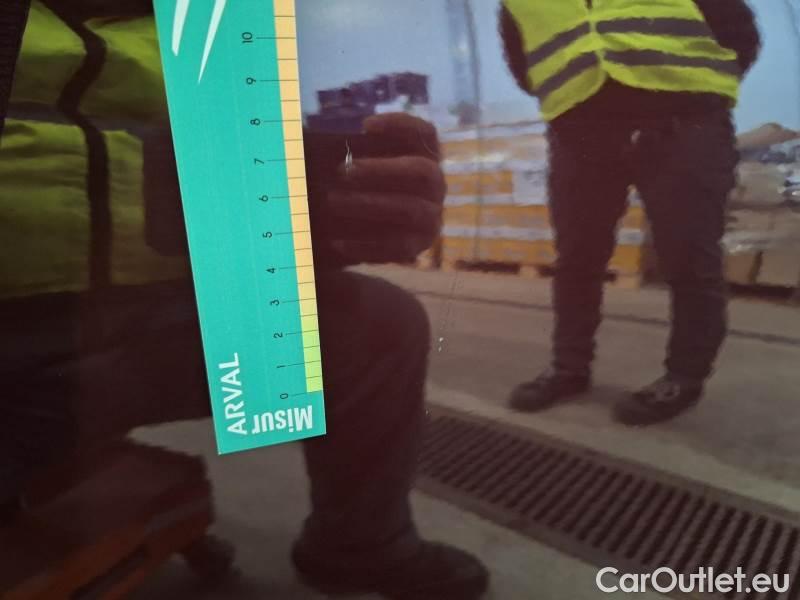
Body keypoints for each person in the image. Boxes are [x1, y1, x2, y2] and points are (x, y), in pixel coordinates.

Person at [0, 2, 489, 598]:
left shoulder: (207, 21)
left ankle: (360, 547)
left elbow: (235, 188)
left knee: (377, 324)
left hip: (143, 327)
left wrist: (318, 222)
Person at [499, 0, 761, 425]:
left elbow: (739, 35)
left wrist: (694, 94)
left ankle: (684, 377)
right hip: (580, 135)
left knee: (689, 256)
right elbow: (525, 65)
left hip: (683, 122)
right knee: (577, 259)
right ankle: (569, 368)